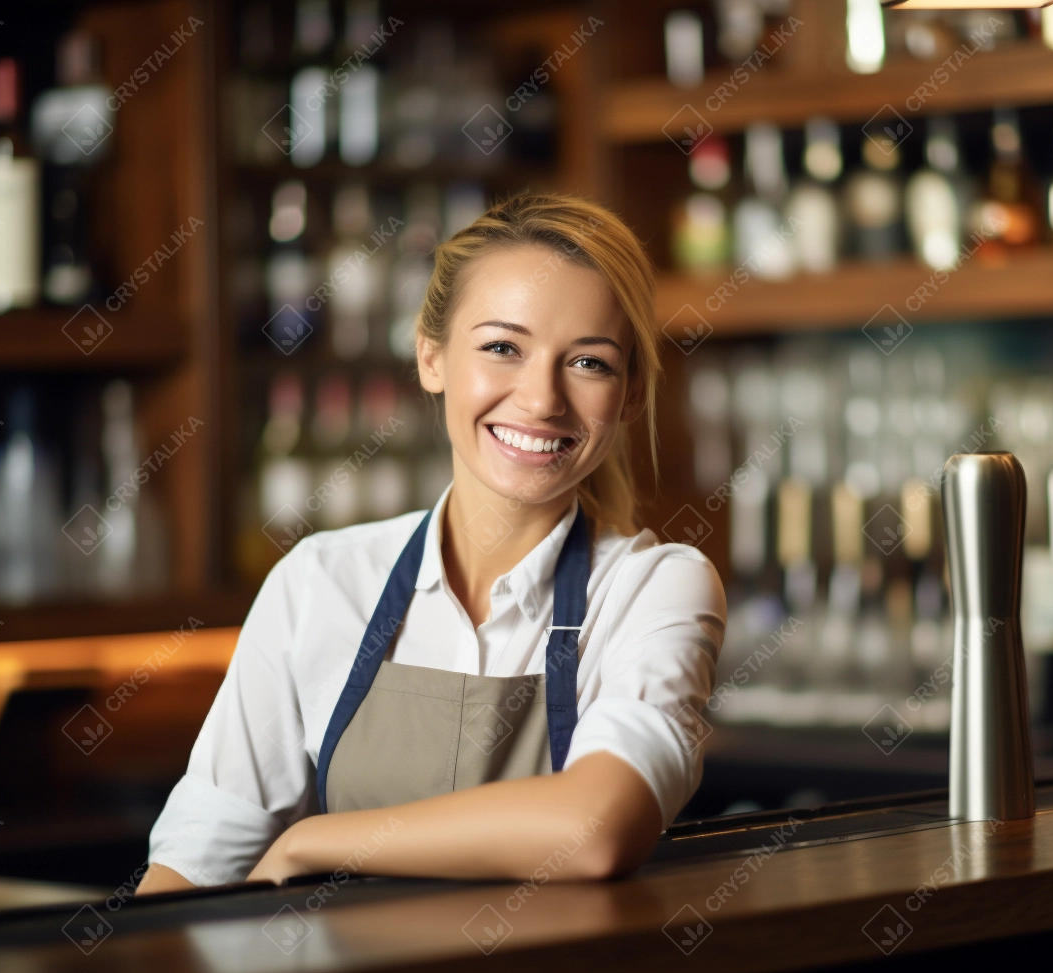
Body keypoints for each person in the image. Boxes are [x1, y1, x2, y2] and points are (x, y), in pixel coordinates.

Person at [137, 193, 726, 891]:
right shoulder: (319, 584)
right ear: (431, 358)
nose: (541, 400)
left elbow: (595, 828)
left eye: (589, 363)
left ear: (628, 397)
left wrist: (312, 842)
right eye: (503, 347)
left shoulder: (653, 589)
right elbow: (191, 871)